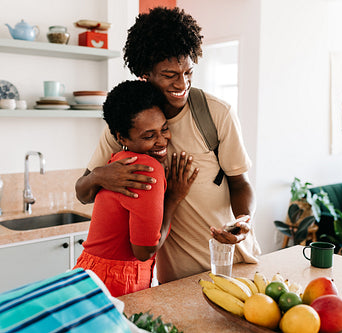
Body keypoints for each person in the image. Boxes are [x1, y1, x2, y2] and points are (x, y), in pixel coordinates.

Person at [75, 7, 261, 284]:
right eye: (169, 74)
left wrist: (244, 220)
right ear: (145, 72)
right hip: (175, 277)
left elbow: (240, 183)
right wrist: (101, 176)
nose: (182, 83)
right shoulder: (127, 124)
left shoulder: (216, 113)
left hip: (232, 262)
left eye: (188, 72)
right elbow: (83, 191)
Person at [74, 80, 198, 296]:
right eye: (149, 136)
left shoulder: (120, 159)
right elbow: (144, 251)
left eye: (164, 129)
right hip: (114, 283)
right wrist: (173, 198)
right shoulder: (146, 169)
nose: (161, 141)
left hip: (91, 274)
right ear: (121, 138)